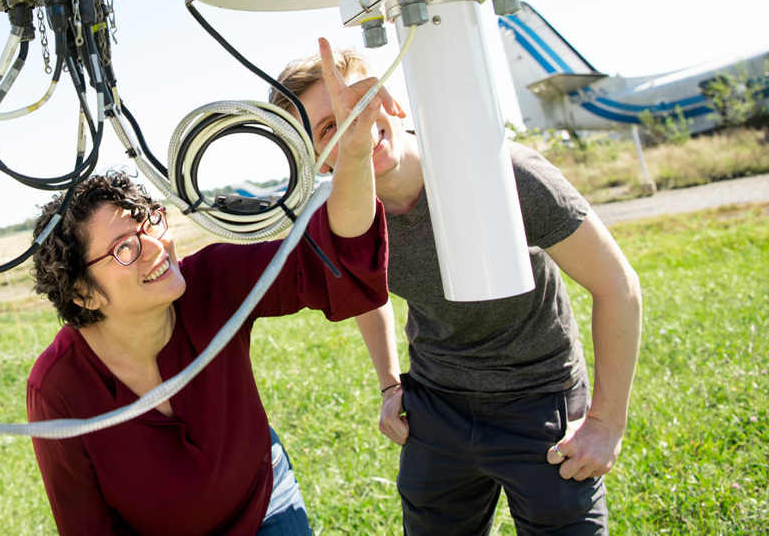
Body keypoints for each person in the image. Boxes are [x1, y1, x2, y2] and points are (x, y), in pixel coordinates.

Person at [273, 40, 643, 535]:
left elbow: (617, 286)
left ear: (389, 101)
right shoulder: (341, 220)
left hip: (540, 398)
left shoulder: (503, 173)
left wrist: (606, 423)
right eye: (328, 127)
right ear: (316, 159)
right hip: (436, 406)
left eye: (358, 105)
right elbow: (367, 292)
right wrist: (389, 384)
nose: (355, 128)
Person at [24, 57, 403, 535]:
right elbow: (86, 525)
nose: (157, 246)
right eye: (125, 248)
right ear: (83, 293)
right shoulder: (58, 389)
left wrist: (352, 155)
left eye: (151, 223)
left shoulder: (211, 281)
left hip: (267, 504)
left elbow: (337, 266)